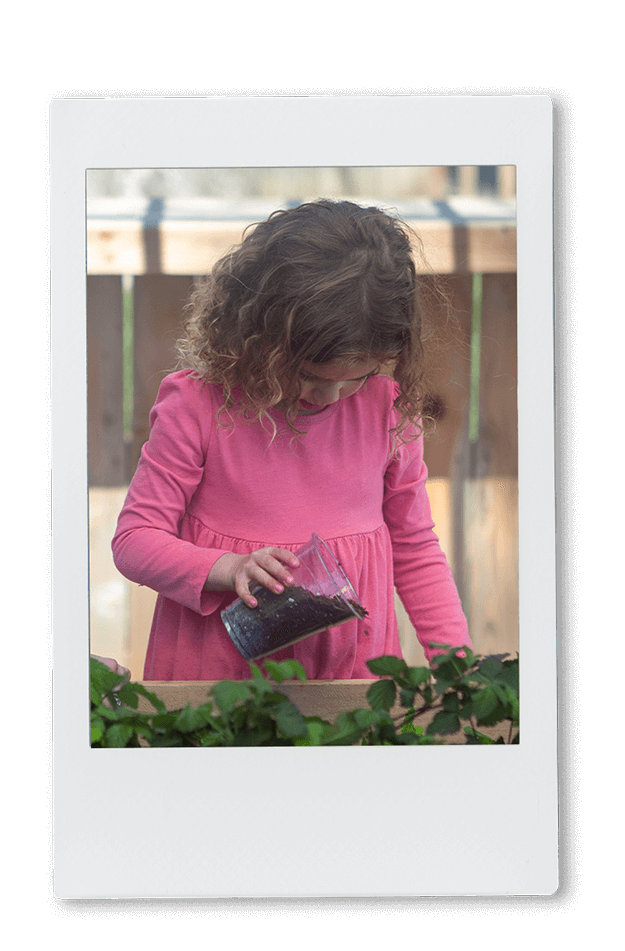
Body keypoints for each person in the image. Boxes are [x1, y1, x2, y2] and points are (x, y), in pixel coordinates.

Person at [112, 199, 471, 682]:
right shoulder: (199, 406)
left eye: (358, 377)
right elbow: (135, 541)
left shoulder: (389, 411)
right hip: (216, 682)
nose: (331, 395)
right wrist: (230, 567)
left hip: (350, 681)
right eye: (309, 375)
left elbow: (415, 547)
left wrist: (458, 665)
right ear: (258, 334)